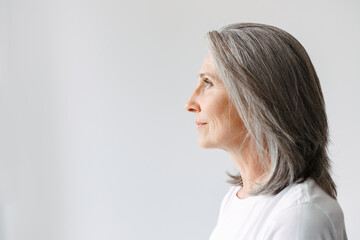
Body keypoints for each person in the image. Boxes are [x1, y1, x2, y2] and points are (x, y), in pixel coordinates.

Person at [184, 23, 347, 239]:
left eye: (208, 83)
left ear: (255, 99)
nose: (190, 103)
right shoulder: (237, 199)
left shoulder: (298, 215)